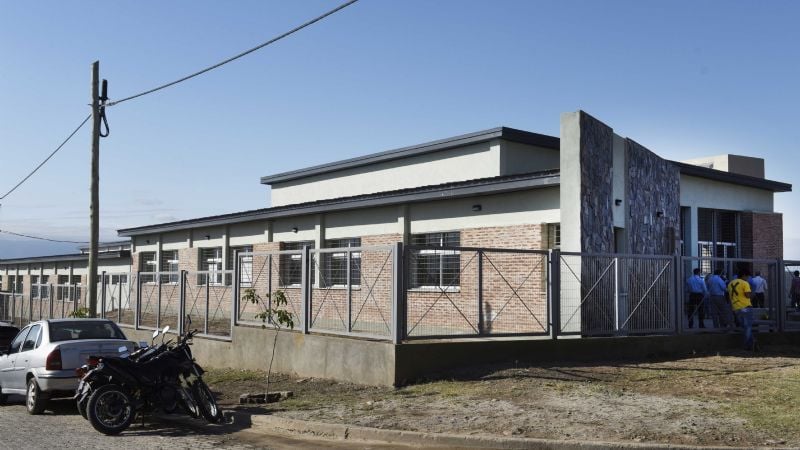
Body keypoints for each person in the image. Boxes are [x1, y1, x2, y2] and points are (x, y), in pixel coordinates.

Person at [728, 269, 755, 351]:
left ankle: (753, 343)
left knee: (745, 327)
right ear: (743, 275)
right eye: (747, 276)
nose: (748, 278)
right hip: (745, 307)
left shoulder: (730, 283)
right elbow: (747, 295)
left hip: (736, 308)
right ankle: (748, 345)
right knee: (748, 327)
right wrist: (753, 294)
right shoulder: (744, 283)